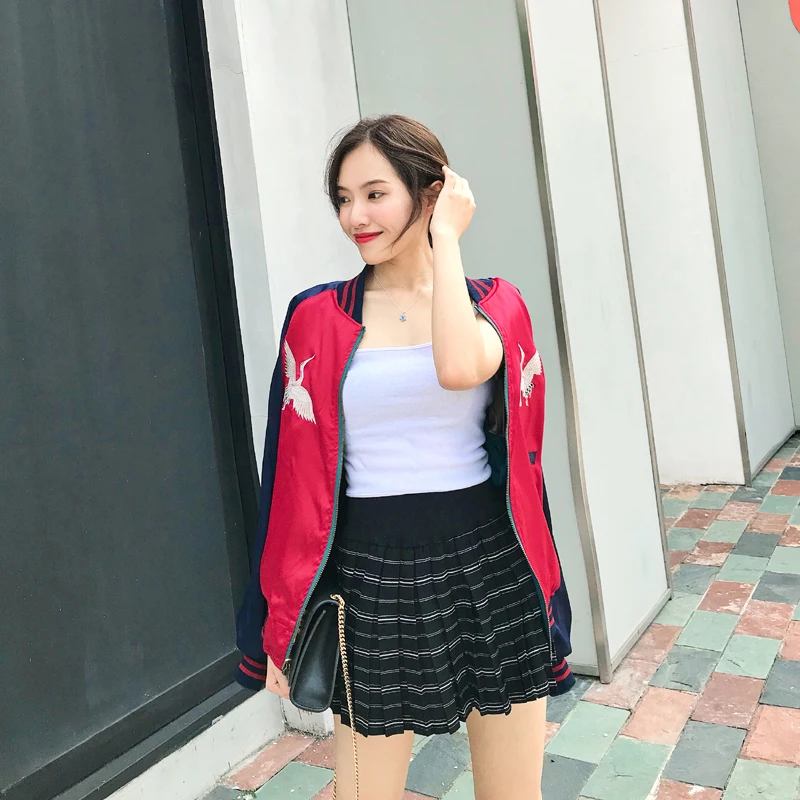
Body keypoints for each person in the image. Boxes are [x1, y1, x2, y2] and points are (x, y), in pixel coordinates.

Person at [233, 115, 575, 800]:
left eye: (374, 194)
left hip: (491, 565)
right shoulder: (316, 317)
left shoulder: (497, 306)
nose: (354, 216)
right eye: (342, 198)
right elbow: (287, 486)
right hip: (368, 578)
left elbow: (458, 367)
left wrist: (446, 242)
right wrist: (273, 620)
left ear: (431, 193)